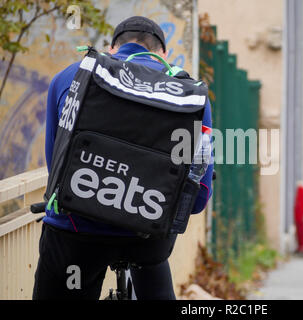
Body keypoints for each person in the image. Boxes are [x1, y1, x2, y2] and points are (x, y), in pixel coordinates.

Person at [33, 16, 213, 300]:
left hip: (75, 236)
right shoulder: (190, 95)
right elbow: (199, 196)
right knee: (151, 262)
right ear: (163, 54)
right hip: (148, 242)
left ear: (112, 49)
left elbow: (55, 165)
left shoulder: (71, 77)